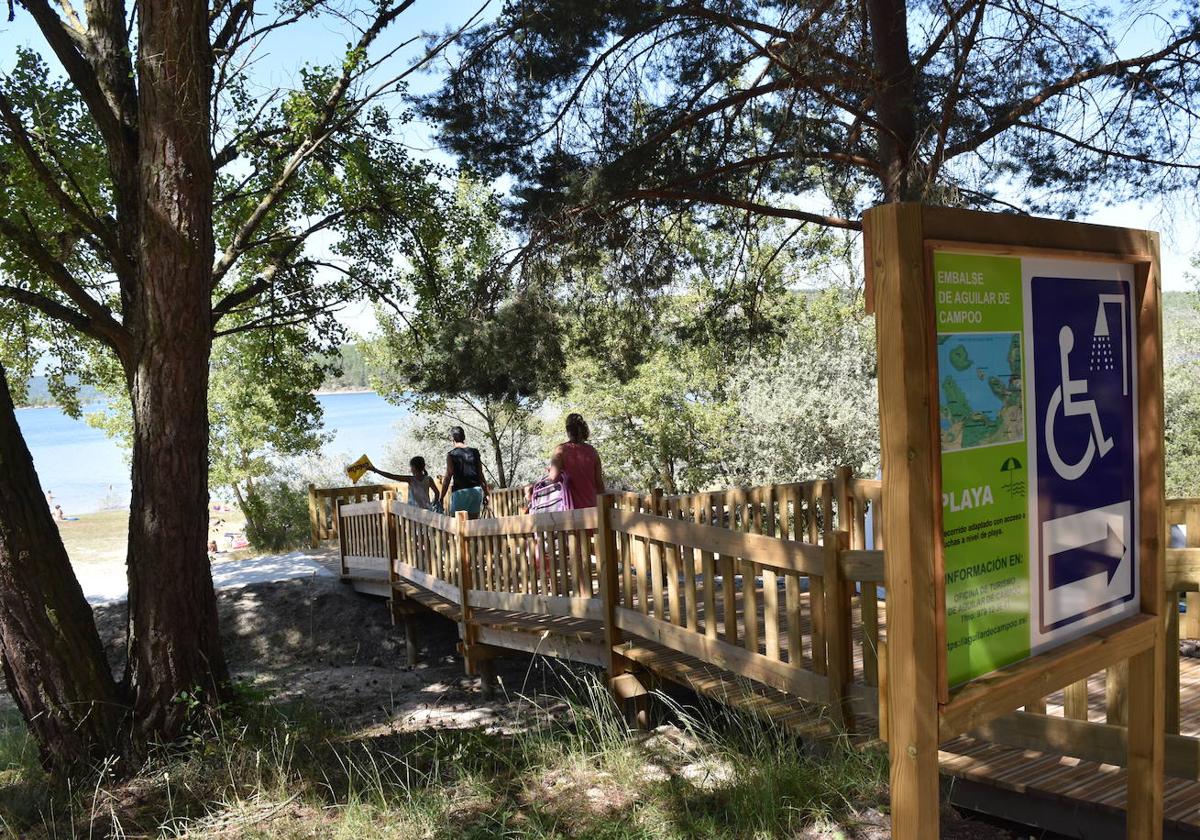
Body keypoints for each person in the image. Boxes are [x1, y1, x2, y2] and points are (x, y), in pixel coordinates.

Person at [551, 413, 605, 509]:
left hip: (570, 509)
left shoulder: (560, 450)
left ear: (568, 431)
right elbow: (599, 485)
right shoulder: (592, 451)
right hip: (592, 508)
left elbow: (553, 478)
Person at [437, 426, 488, 519]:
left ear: (452, 438)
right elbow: (480, 474)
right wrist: (486, 493)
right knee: (473, 525)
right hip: (476, 491)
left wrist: (441, 497)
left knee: (457, 525)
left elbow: (448, 476)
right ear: (464, 437)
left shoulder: (451, 455)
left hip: (460, 492)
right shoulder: (475, 452)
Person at [366, 456, 439, 511]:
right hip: (427, 510)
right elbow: (437, 493)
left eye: (411, 467)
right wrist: (433, 503)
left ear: (414, 468)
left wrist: (375, 470)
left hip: (414, 511)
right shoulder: (428, 479)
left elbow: (391, 476)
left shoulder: (411, 479)